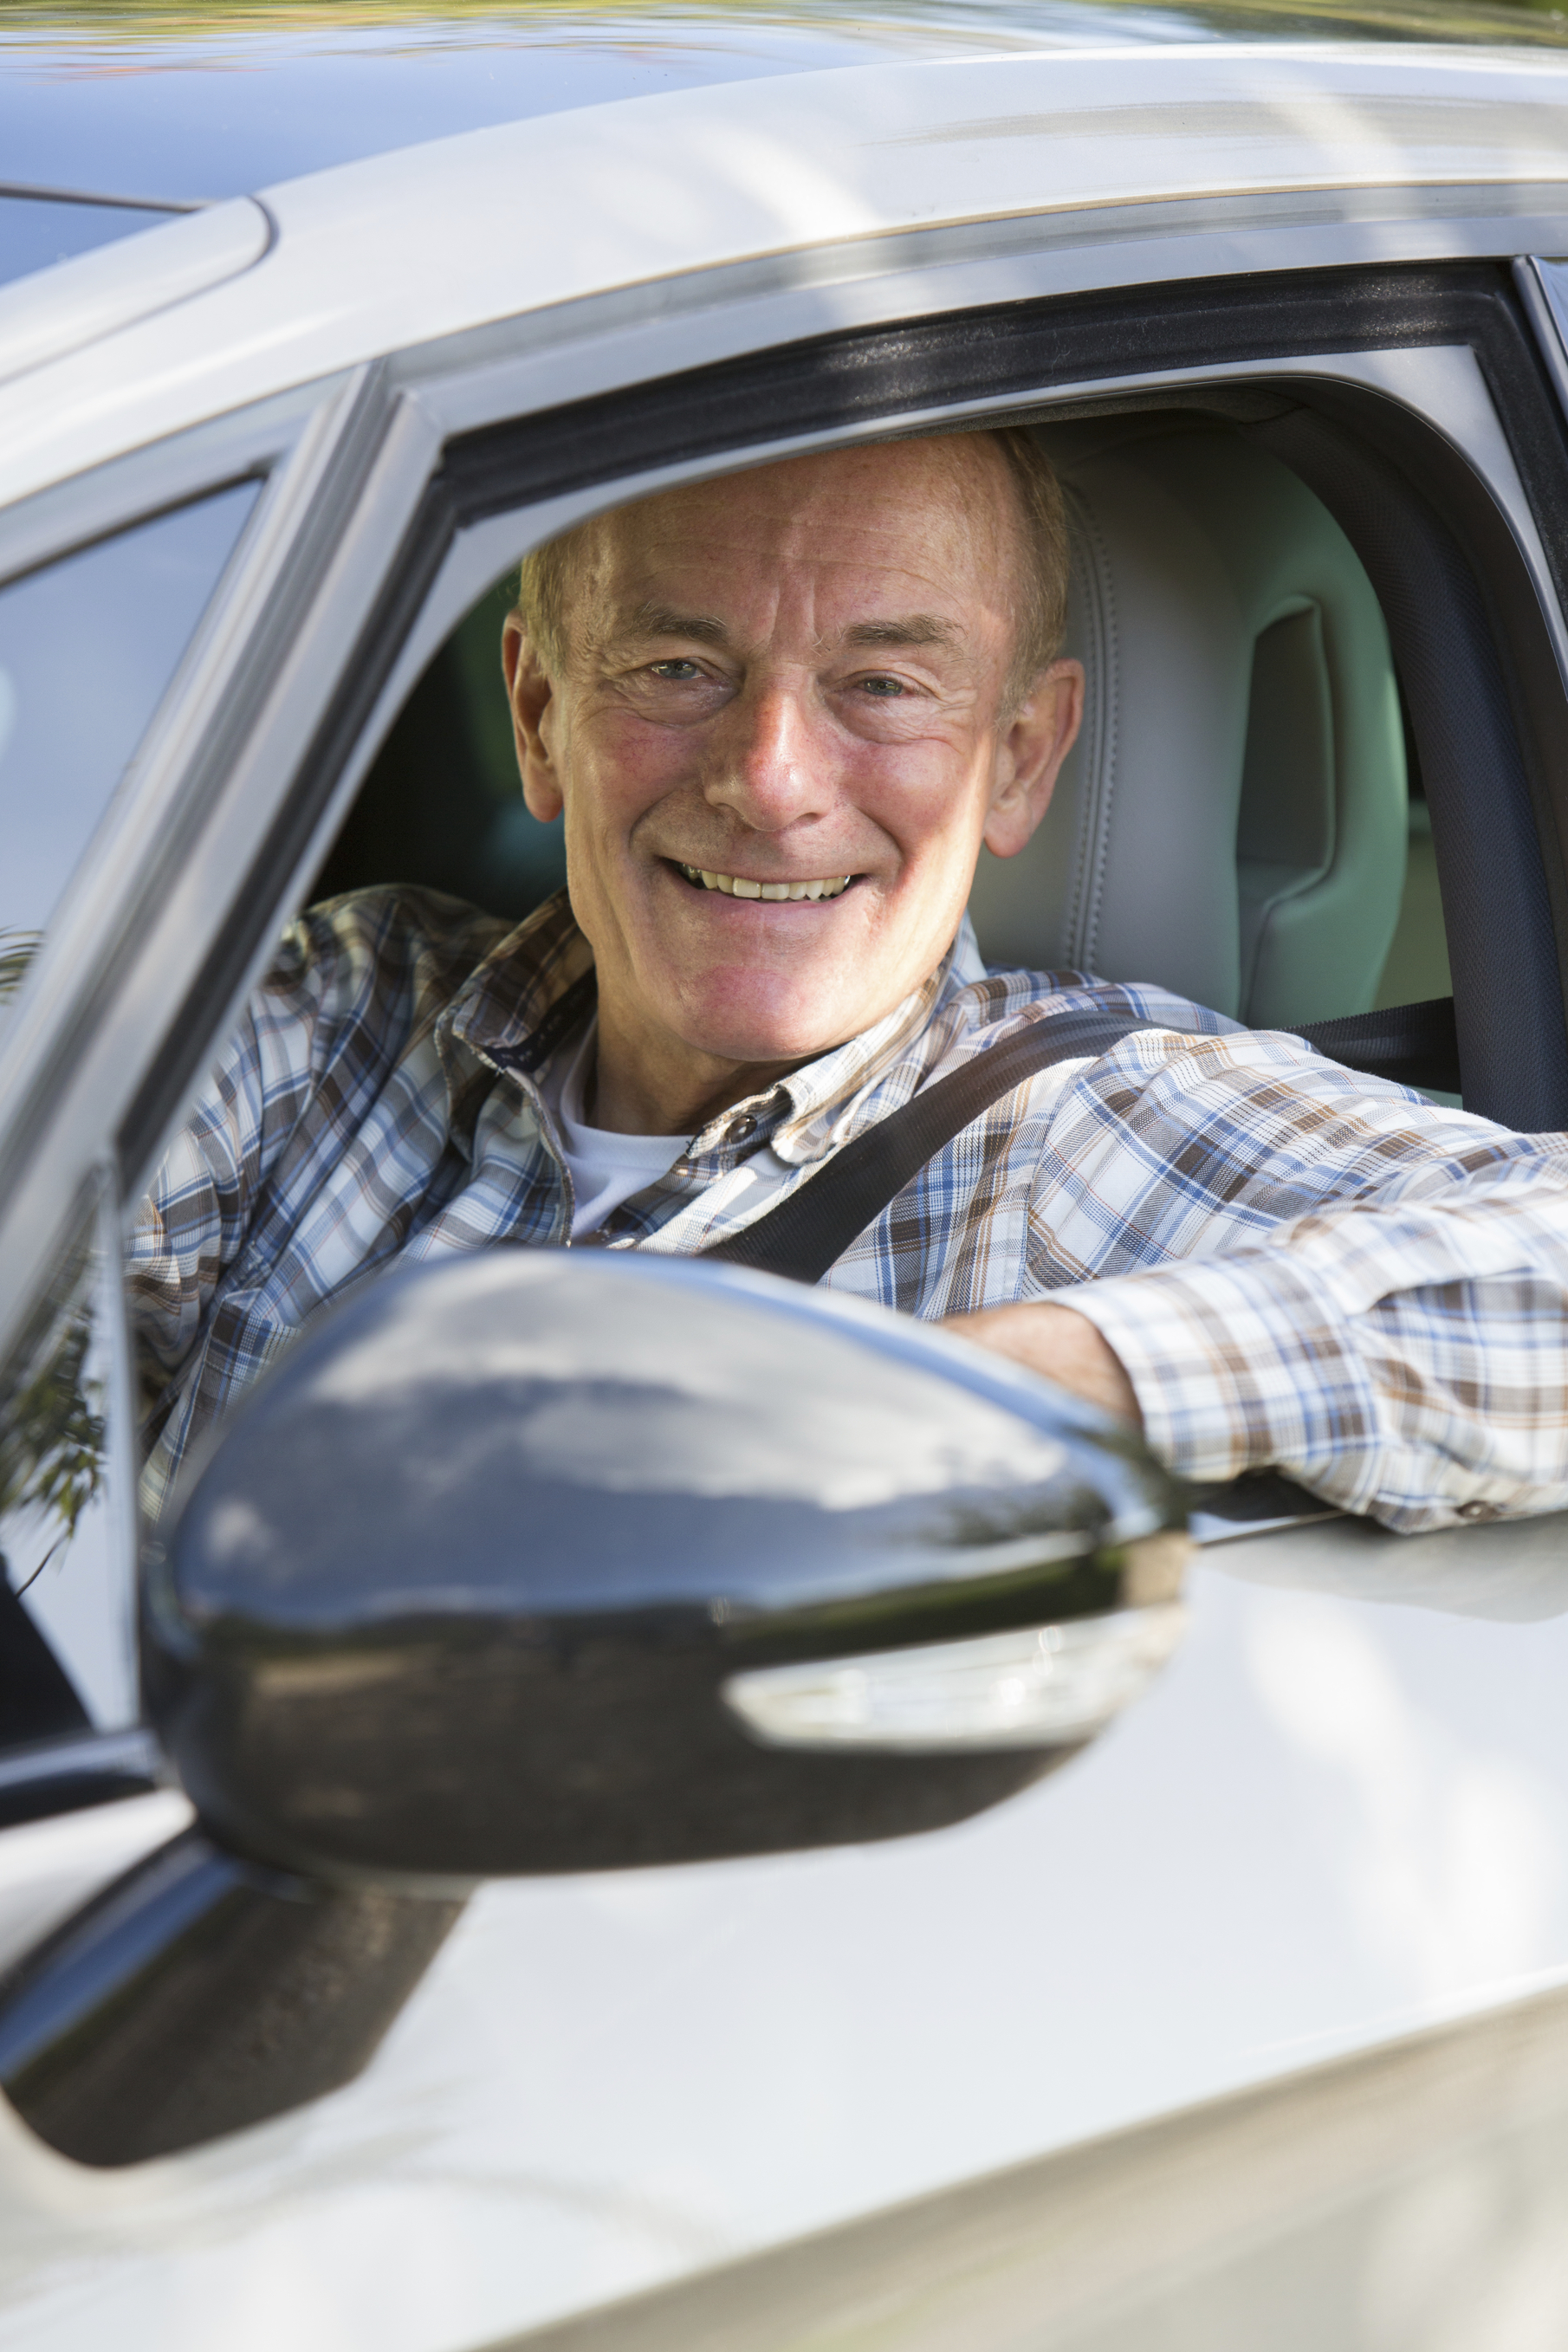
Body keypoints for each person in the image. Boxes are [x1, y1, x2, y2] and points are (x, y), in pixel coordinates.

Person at [129, 429, 1568, 1533]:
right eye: (679, 664)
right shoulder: (339, 1007)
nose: (769, 781)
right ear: (537, 713)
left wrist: (1012, 1381)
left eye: (881, 686)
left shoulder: (1083, 1132)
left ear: (1017, 759)